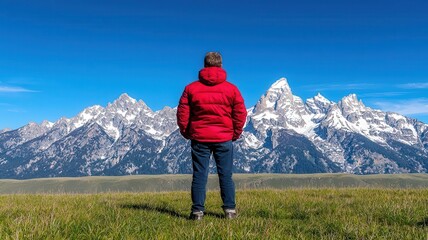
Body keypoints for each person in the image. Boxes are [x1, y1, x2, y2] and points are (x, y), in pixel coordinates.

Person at [177, 52, 247, 220]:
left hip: (199, 138)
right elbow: (240, 114)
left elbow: (182, 114)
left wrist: (187, 132)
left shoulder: (191, 88)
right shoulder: (232, 89)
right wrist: (234, 134)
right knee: (226, 175)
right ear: (221, 66)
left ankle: (197, 212)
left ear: (204, 65)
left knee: (199, 175)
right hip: (224, 138)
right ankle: (230, 211)